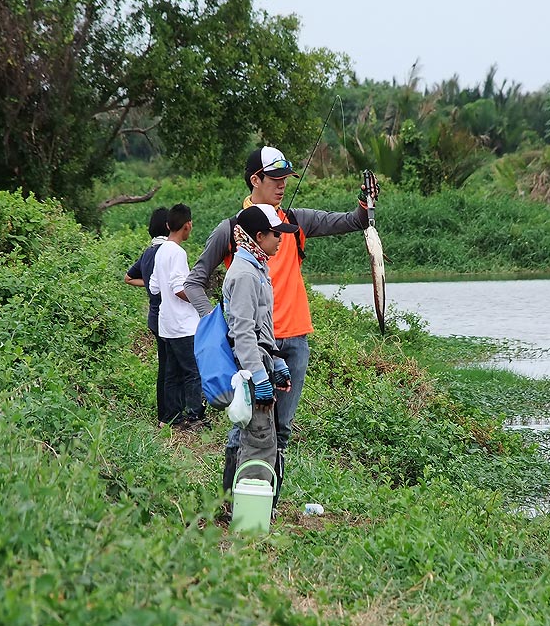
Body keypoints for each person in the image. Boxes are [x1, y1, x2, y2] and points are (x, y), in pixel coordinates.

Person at [185, 146, 378, 508]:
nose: (281, 186)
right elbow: (194, 281)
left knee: (282, 431)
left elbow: (350, 221)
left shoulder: (294, 221)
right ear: (254, 179)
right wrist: (215, 320)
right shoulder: (230, 230)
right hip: (252, 346)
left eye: (285, 179)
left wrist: (366, 209)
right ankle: (233, 503)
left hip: (293, 343)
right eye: (274, 180)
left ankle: (264, 507)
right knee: (246, 427)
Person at [222, 204, 296, 484]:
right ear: (259, 236)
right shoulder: (244, 274)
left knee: (263, 434)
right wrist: (259, 375)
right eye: (275, 234)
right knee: (258, 438)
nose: (280, 239)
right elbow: (242, 332)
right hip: (250, 367)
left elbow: (261, 323)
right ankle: (244, 511)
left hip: (261, 360)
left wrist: (275, 359)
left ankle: (246, 505)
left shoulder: (257, 267)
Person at [149, 204, 206, 428]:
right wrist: (200, 303)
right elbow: (178, 288)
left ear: (167, 225)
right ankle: (194, 417)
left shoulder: (161, 250)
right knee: (193, 372)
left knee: (172, 373)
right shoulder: (178, 252)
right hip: (183, 325)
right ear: (188, 225)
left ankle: (170, 418)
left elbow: (154, 287)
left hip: (166, 324)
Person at [124, 207, 171, 426]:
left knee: (164, 365)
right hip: (169, 318)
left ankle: (163, 415)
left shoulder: (148, 252)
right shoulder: (168, 252)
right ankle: (170, 416)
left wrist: (151, 283)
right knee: (174, 367)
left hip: (154, 317)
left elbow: (128, 277)